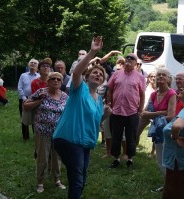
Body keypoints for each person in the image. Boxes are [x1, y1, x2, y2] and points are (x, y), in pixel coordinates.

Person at [53, 37, 110, 199]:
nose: (98, 74)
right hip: (69, 139)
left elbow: (96, 124)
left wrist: (105, 115)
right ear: (87, 77)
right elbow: (76, 71)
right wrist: (93, 51)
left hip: (85, 143)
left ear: (102, 82)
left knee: (82, 178)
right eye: (95, 72)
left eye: (101, 74)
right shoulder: (80, 88)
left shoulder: (99, 100)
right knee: (77, 179)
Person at [23, 72, 68, 193]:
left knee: (57, 157)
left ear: (61, 82)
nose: (56, 81)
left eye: (58, 79)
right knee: (42, 157)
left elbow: (68, 113)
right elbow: (26, 105)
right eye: (53, 78)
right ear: (48, 81)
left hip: (58, 133)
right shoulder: (41, 92)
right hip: (42, 131)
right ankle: (40, 182)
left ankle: (57, 179)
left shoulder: (64, 96)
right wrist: (39, 101)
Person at [140, 68, 176, 192]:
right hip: (157, 130)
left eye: (163, 75)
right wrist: (160, 113)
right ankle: (167, 184)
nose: (160, 77)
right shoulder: (154, 94)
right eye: (158, 75)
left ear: (168, 79)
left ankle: (171, 185)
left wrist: (153, 114)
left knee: (168, 158)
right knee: (160, 159)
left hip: (168, 131)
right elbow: (144, 112)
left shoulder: (171, 93)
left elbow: (171, 115)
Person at [107, 53, 146, 169]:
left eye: (132, 58)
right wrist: (109, 103)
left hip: (132, 112)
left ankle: (130, 159)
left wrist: (140, 109)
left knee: (131, 137)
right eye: (127, 58)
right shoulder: (116, 74)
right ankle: (116, 159)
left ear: (136, 63)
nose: (129, 59)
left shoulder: (140, 77)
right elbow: (110, 90)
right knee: (116, 136)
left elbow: (142, 95)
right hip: (116, 111)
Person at [17, 58, 40, 141]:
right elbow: (19, 88)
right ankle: (25, 137)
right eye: (31, 62)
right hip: (24, 99)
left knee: (36, 118)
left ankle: (36, 136)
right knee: (24, 118)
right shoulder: (23, 75)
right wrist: (24, 99)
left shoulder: (39, 76)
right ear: (28, 65)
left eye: (35, 63)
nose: (33, 64)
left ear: (37, 66)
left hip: (35, 99)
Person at [136, 71, 157, 147]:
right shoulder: (144, 87)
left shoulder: (158, 89)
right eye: (152, 76)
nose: (153, 78)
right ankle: (134, 148)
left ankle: (152, 151)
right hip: (143, 112)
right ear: (148, 78)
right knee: (137, 130)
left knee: (155, 133)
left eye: (155, 76)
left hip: (154, 113)